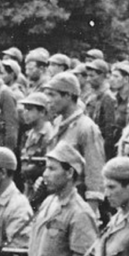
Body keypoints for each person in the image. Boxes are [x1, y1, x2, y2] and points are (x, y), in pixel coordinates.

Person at [44, 72, 105, 217]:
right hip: (58, 198)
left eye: (53, 95)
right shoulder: (58, 123)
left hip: (79, 202)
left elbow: (95, 171)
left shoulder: (86, 127)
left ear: (68, 96)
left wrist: (90, 211)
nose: (48, 100)